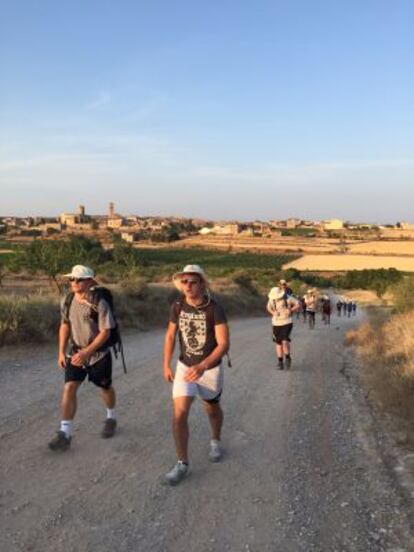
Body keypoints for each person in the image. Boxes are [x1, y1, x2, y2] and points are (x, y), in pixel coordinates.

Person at [163, 264, 230, 486]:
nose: (188, 286)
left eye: (193, 281)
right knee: (179, 413)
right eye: (184, 281)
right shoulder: (178, 305)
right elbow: (171, 336)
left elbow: (223, 344)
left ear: (202, 284)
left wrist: (203, 366)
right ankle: (182, 463)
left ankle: (215, 440)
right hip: (185, 367)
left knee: (212, 409)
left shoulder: (214, 309)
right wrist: (166, 364)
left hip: (209, 369)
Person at [48, 265, 117, 451]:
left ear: (89, 281)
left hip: (98, 355)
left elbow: (106, 332)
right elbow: (65, 325)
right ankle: (65, 433)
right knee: (69, 387)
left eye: (79, 279)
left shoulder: (99, 302)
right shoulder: (68, 300)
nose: (74, 283)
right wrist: (61, 352)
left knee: (105, 387)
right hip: (76, 352)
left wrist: (87, 352)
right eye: (72, 279)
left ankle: (111, 417)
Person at [267, 286, 300, 370]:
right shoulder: (272, 299)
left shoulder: (288, 298)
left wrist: (291, 310)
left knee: (284, 341)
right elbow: (268, 307)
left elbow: (298, 304)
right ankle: (280, 362)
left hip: (287, 322)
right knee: (278, 343)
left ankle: (288, 357)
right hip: (276, 323)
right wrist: (273, 312)